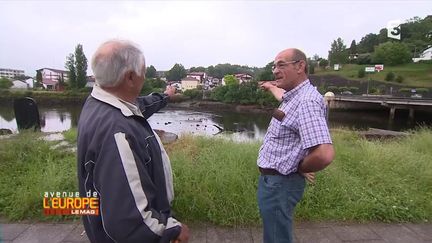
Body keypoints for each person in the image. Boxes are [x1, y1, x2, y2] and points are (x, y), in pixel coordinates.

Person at [77, 39, 189, 243]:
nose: (144, 77)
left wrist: (165, 96)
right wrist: (172, 230)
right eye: (143, 71)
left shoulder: (99, 103)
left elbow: (140, 106)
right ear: (130, 77)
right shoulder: (116, 133)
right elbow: (130, 223)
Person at [257, 48, 335, 243]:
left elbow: (324, 154)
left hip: (281, 184)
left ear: (300, 66)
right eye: (274, 66)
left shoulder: (307, 102)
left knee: (277, 238)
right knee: (275, 233)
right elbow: (280, 94)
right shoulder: (294, 96)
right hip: (276, 183)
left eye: (281, 64)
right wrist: (269, 86)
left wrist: (299, 167)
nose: (275, 70)